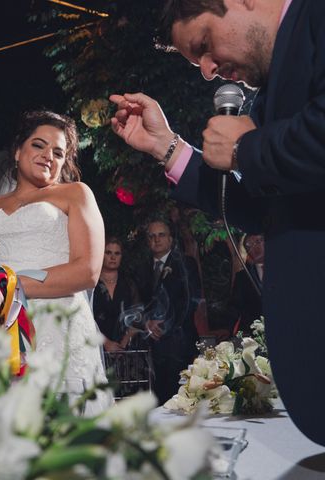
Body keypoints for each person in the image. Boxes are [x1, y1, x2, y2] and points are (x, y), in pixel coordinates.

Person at [110, 0, 325, 443]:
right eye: (197, 61)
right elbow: (261, 206)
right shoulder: (267, 100)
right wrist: (166, 147)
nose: (208, 70)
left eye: (204, 45)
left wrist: (250, 149)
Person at [0, 110, 109, 414]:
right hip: (0, 327)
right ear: (17, 150)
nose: (48, 155)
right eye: (38, 145)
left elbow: (87, 270)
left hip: (57, 323)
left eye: (59, 152)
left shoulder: (75, 194)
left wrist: (9, 286)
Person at [134, 220, 201, 405]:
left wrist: (166, 325)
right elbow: (138, 303)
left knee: (182, 398)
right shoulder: (141, 269)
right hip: (152, 346)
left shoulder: (186, 263)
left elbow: (191, 300)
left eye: (161, 235)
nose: (156, 239)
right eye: (152, 236)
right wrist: (147, 323)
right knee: (158, 398)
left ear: (170, 239)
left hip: (180, 342)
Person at [93, 237, 140, 352]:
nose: (113, 257)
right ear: (101, 254)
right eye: (108, 252)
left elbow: (137, 317)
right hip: (96, 347)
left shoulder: (129, 284)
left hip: (126, 351)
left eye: (117, 253)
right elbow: (86, 319)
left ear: (121, 256)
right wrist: (106, 343)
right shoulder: (91, 284)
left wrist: (123, 344)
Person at [228, 233, 264, 336]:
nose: (255, 247)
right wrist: (229, 330)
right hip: (254, 334)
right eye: (249, 245)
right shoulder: (242, 277)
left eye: (258, 241)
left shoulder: (282, 272)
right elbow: (235, 306)